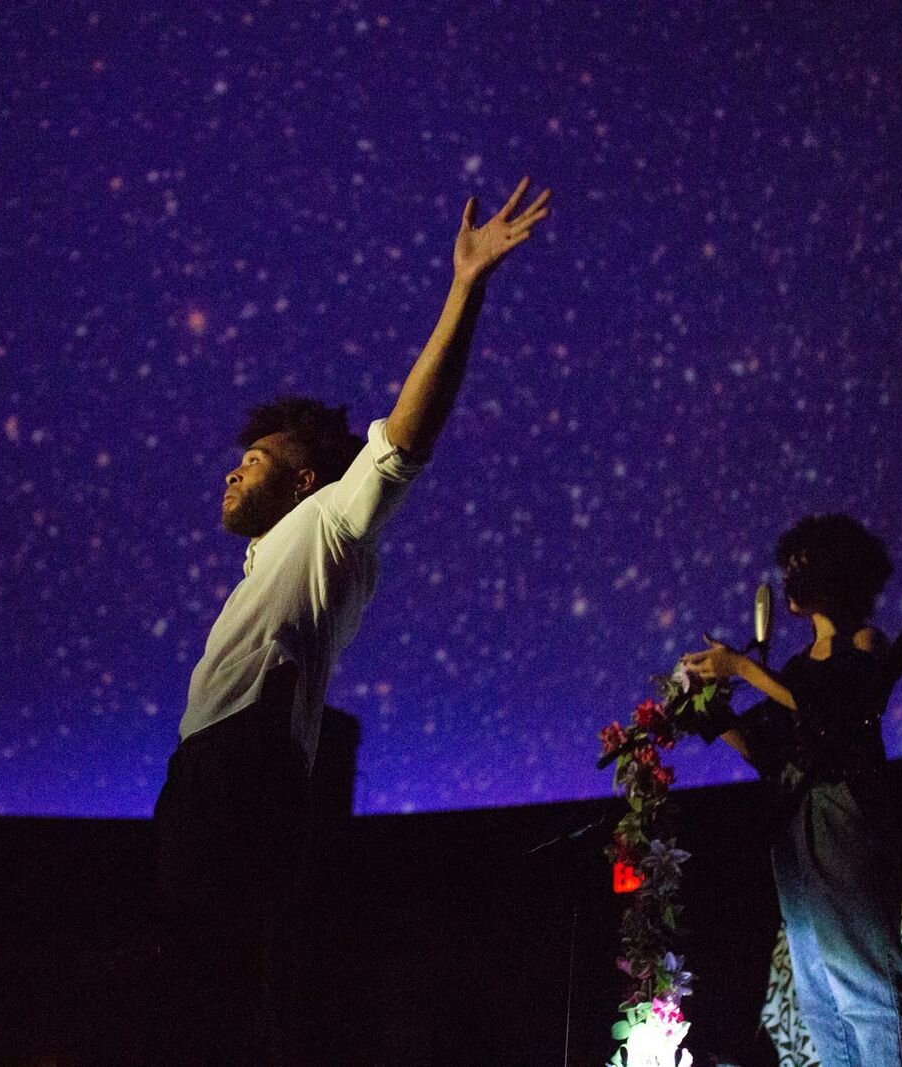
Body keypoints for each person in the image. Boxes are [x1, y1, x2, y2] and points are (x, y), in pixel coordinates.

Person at [153, 177, 551, 1065]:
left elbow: (407, 436)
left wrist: (465, 286)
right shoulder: (265, 562)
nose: (232, 473)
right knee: (189, 991)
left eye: (252, 459)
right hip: (205, 765)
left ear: (302, 480)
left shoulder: (328, 520)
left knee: (227, 993)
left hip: (245, 768)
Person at [680, 514, 902, 1067]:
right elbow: (770, 749)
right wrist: (709, 711)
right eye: (788, 569)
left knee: (863, 975)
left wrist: (740, 666)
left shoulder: (866, 643)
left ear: (840, 575)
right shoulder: (792, 667)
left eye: (804, 568)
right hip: (795, 821)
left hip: (844, 813)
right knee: (817, 986)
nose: (790, 579)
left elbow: (835, 708)